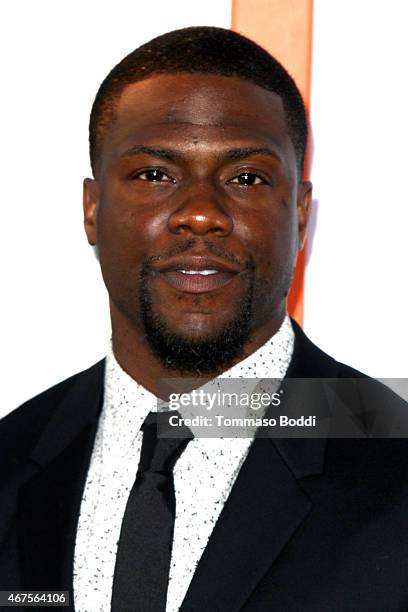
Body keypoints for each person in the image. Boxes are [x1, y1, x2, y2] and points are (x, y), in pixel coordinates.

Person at [1, 26, 408, 612]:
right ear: (92, 209)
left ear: (298, 214)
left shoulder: (392, 456)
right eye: (154, 175)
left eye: (246, 179)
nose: (199, 214)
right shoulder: (12, 457)